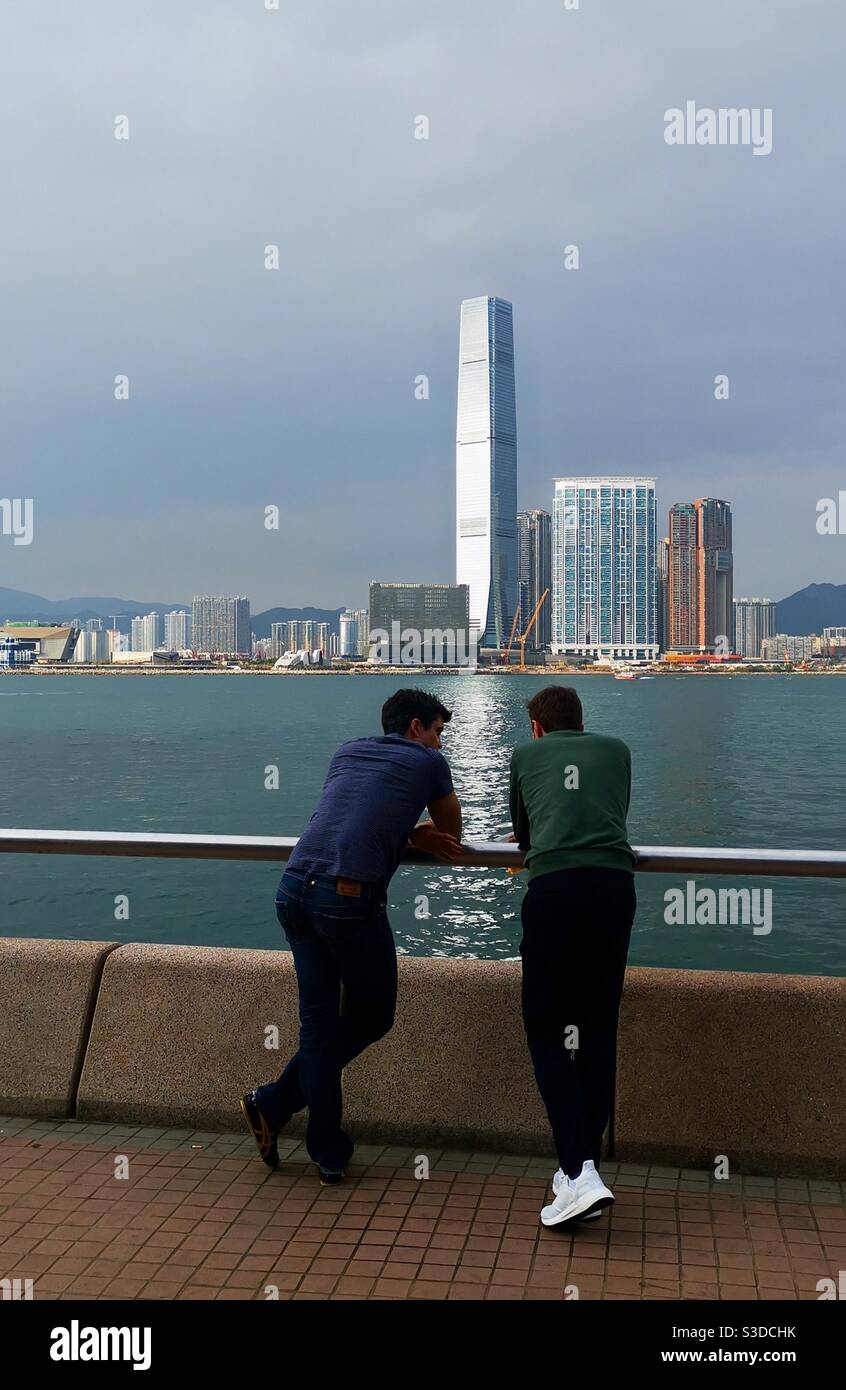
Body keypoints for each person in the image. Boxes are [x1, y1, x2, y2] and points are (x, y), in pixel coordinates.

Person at [241, 688, 463, 1184]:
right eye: (438, 732)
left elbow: (352, 814)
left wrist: (404, 834)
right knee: (373, 1015)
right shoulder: (428, 764)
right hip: (345, 898)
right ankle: (283, 1112)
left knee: (319, 1027)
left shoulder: (348, 750)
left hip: (294, 887)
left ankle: (313, 1138)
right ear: (415, 728)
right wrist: (417, 835)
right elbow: (452, 832)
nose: (439, 743)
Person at [509, 685, 636, 1228]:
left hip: (556, 891)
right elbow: (613, 814)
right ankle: (581, 1170)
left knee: (544, 1031)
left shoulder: (525, 755)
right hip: (614, 889)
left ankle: (578, 1169)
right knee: (598, 1028)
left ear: (537, 727)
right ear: (581, 723)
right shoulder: (618, 751)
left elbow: (523, 834)